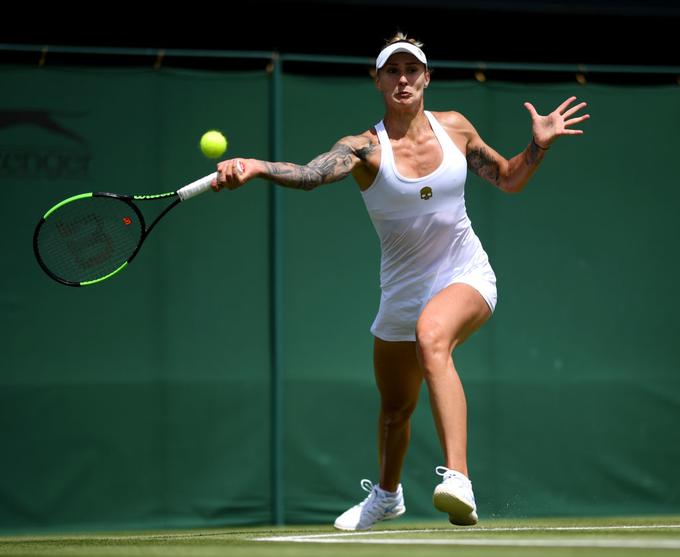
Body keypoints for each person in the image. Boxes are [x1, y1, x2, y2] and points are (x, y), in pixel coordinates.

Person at [212, 33, 589, 530]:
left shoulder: (455, 129)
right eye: (393, 71)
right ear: (379, 81)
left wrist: (536, 147)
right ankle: (387, 496)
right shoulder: (364, 149)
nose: (404, 79)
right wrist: (257, 166)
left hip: (466, 274)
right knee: (394, 410)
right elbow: (308, 175)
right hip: (402, 292)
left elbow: (509, 178)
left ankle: (459, 479)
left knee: (433, 337)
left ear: (427, 78)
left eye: (413, 70)